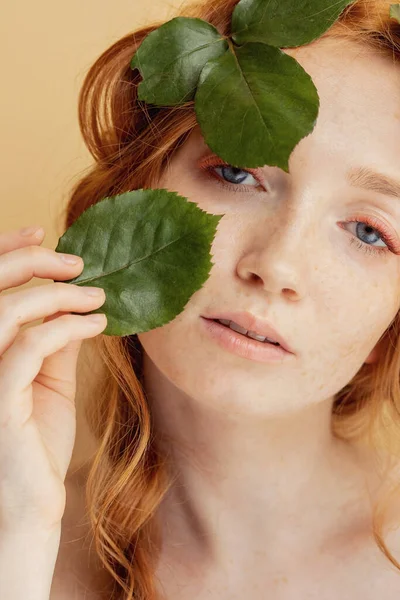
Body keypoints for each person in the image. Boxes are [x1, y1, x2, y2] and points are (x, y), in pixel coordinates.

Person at [2, 0, 400, 598]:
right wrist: (17, 539)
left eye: (369, 232)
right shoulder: (23, 540)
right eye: (237, 173)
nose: (276, 265)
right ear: (136, 189)